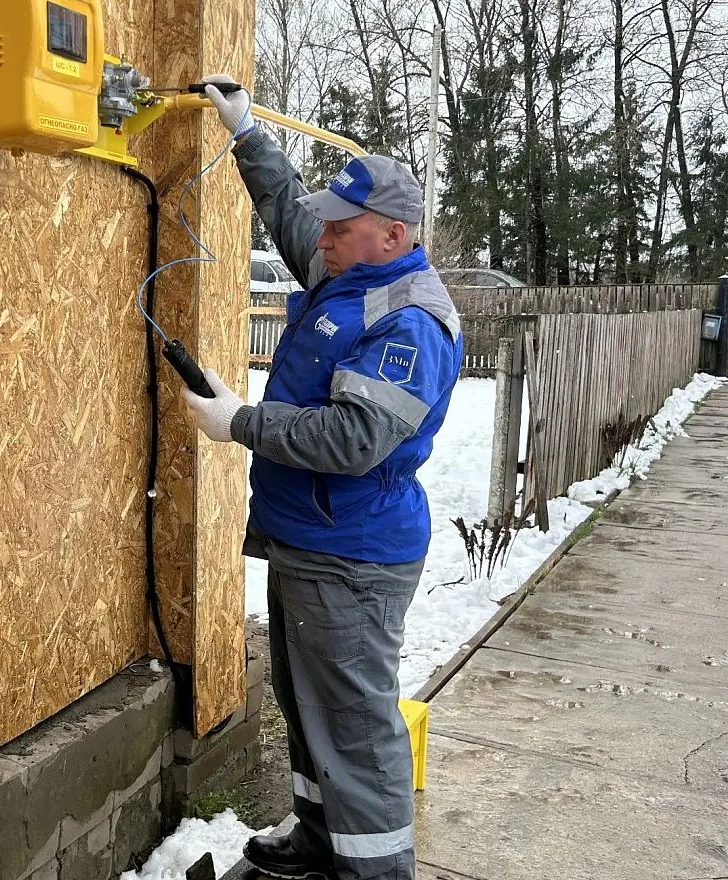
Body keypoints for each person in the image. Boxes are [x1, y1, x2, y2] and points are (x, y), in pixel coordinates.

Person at [181, 74, 463, 880]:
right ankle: (320, 840)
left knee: (355, 726)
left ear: (394, 234)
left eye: (344, 226)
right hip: (311, 541)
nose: (325, 236)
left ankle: (376, 870)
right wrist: (246, 134)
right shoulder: (348, 271)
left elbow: (355, 438)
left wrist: (240, 422)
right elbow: (288, 210)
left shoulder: (409, 320)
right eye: (331, 224)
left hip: (355, 557)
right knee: (309, 712)